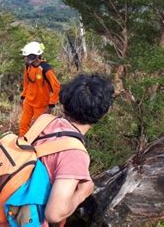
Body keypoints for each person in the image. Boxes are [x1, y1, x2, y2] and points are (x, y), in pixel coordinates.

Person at [35, 73, 114, 225]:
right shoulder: (74, 154)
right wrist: (83, 192)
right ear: (104, 112)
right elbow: (54, 214)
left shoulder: (45, 122)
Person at [19, 41, 61, 136]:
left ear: (36, 56)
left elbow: (57, 87)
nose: (26, 59)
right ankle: (22, 143)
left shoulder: (46, 69)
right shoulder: (28, 66)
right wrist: (23, 96)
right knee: (23, 125)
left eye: (29, 56)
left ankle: (38, 147)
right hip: (29, 101)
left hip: (41, 104)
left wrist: (51, 105)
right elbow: (26, 82)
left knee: (39, 129)